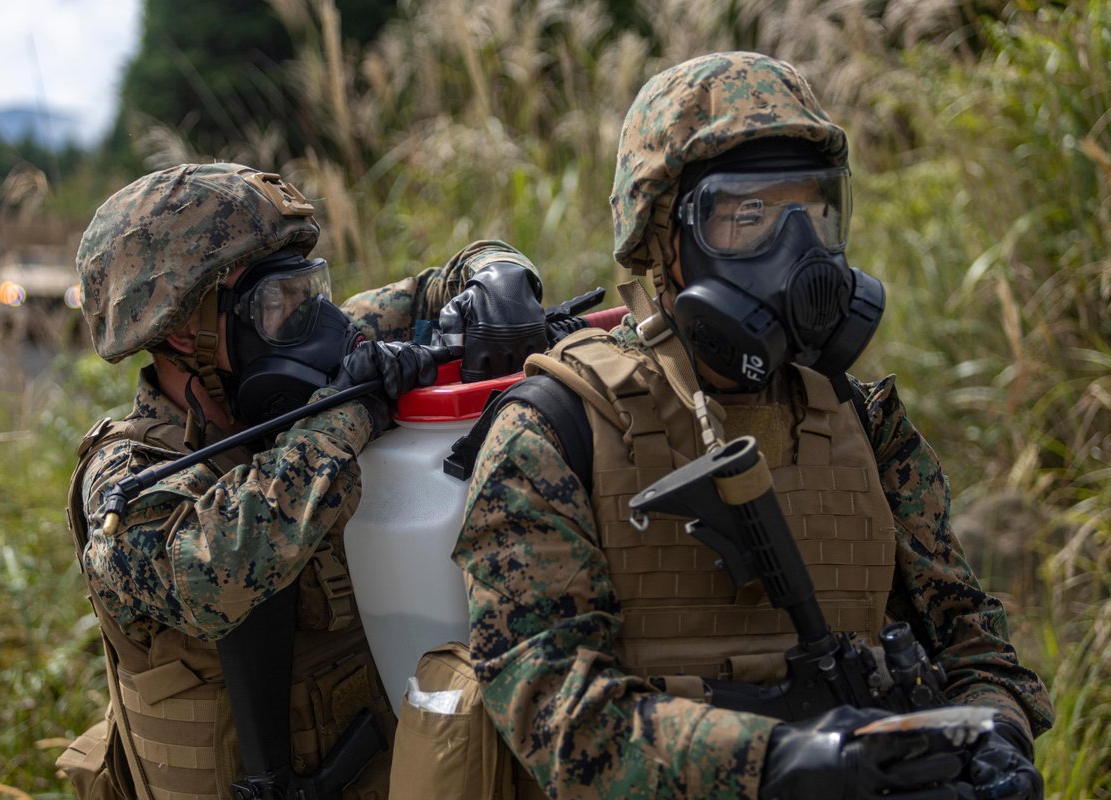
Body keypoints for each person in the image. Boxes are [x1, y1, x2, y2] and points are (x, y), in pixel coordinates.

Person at [450, 52, 1054, 799]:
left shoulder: (865, 427)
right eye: (749, 216)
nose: (797, 255)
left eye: (815, 211)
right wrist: (779, 764)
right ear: (664, 237)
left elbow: (976, 645)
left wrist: (995, 734)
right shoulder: (555, 432)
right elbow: (555, 716)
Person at [56, 162, 551, 800]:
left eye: (306, 288)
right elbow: (209, 568)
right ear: (185, 330)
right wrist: (349, 414)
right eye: (276, 299)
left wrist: (499, 278)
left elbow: (444, 284)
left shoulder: (289, 347)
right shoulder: (126, 478)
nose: (310, 320)